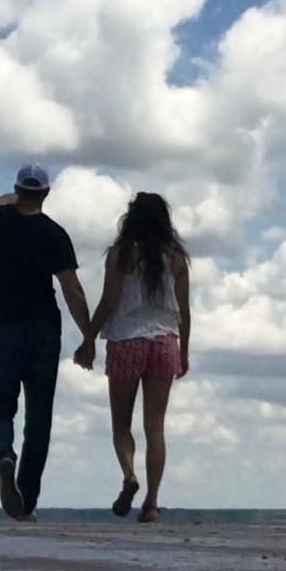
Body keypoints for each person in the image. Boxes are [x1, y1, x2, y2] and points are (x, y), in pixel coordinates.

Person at [0, 163, 92, 521]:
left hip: (2, 324)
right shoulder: (55, 234)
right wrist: (88, 336)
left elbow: (3, 200)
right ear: (45, 194)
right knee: (39, 419)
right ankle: (25, 501)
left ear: (18, 190)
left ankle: (2, 457)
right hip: (44, 328)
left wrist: (20, 196)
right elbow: (72, 289)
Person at [74, 192, 190, 523]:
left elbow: (109, 300)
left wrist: (88, 339)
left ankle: (129, 475)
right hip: (165, 342)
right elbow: (185, 311)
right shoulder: (177, 258)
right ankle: (151, 503)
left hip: (126, 341)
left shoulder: (121, 254)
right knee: (155, 427)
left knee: (121, 425)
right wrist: (184, 352)